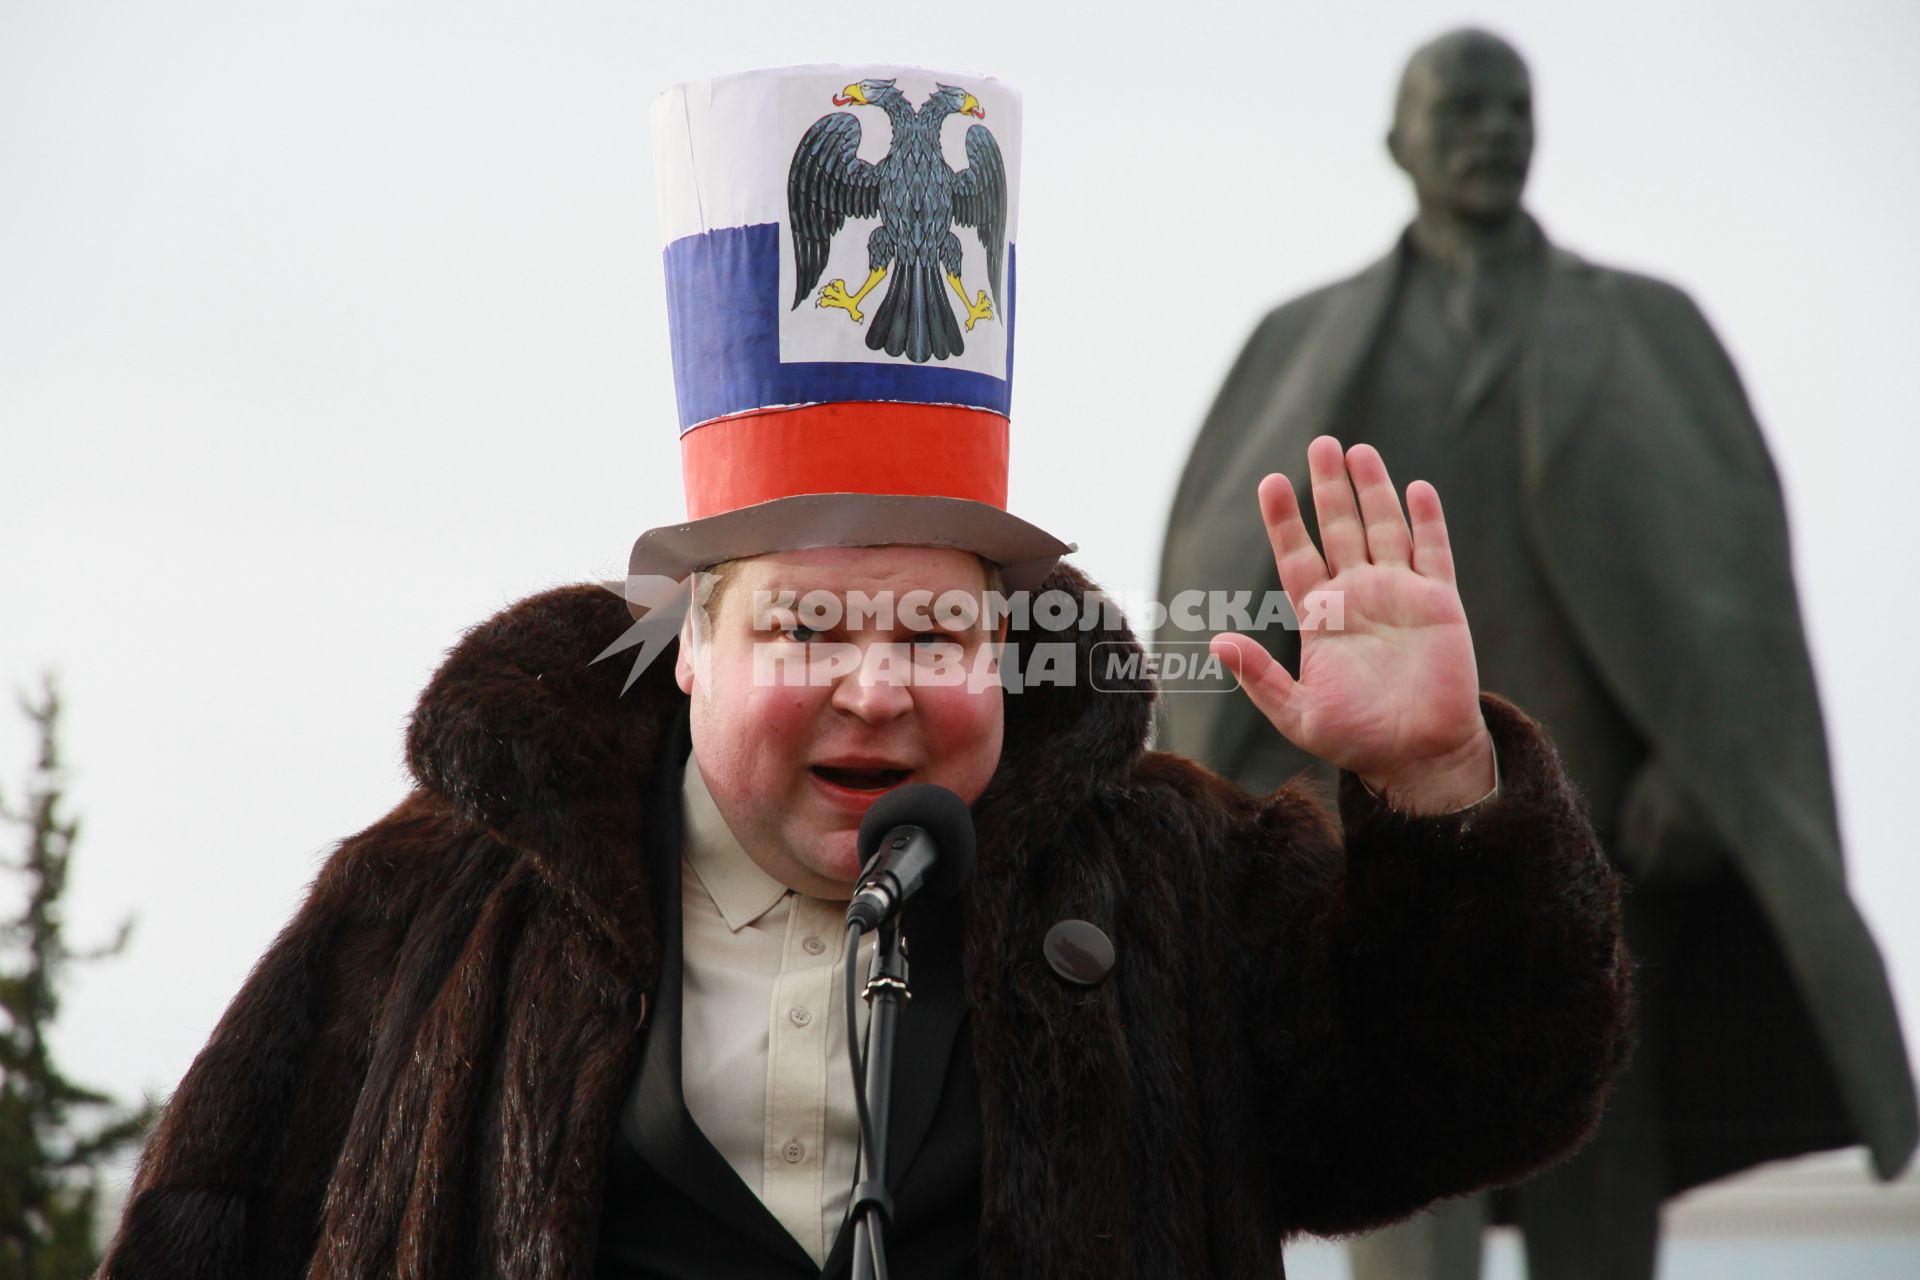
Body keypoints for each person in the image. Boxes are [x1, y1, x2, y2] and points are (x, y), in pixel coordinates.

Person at [98, 65, 1630, 1279]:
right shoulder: (435, 904)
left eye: (937, 633)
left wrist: (1442, 791)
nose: (880, 687)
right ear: (690, 647)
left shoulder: (1179, 882)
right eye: (809, 632)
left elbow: (1482, 1097)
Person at [1156, 27, 1917, 1280]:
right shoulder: (1301, 341)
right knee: (1398, 1173)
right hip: (1382, 863)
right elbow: (1215, 573)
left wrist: (1700, 766)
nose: (1491, 132)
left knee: (1596, 1185)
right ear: (1397, 143)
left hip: (1606, 850)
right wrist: (1240, 803)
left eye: (1513, 109)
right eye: (1458, 111)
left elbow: (1731, 592)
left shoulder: (1644, 327)